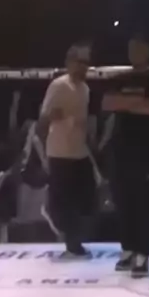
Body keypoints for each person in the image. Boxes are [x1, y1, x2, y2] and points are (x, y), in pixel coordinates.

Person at [101, 35, 149, 277]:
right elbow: (107, 103)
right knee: (123, 201)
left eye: (138, 48)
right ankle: (128, 248)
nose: (133, 52)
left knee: (143, 203)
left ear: (148, 50)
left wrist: (125, 103)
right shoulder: (121, 77)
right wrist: (137, 102)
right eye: (130, 48)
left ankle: (143, 252)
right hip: (120, 149)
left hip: (145, 150)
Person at [38, 43, 94, 257]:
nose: (84, 67)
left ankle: (75, 235)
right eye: (80, 62)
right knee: (65, 200)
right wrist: (56, 117)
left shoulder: (85, 89)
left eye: (87, 62)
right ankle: (73, 241)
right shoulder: (59, 85)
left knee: (87, 197)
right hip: (60, 151)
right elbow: (43, 118)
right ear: (69, 63)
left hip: (80, 150)